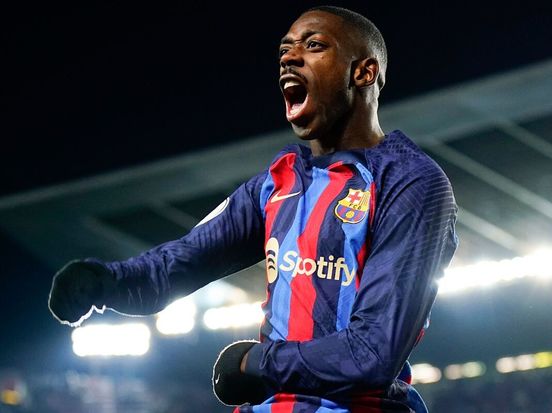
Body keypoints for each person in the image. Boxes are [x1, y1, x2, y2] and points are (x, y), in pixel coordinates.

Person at [48, 6, 458, 413]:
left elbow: (372, 352)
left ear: (363, 73)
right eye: (284, 50)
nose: (289, 58)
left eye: (314, 46)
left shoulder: (411, 182)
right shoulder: (278, 182)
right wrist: (103, 282)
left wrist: (254, 362)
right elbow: (177, 264)